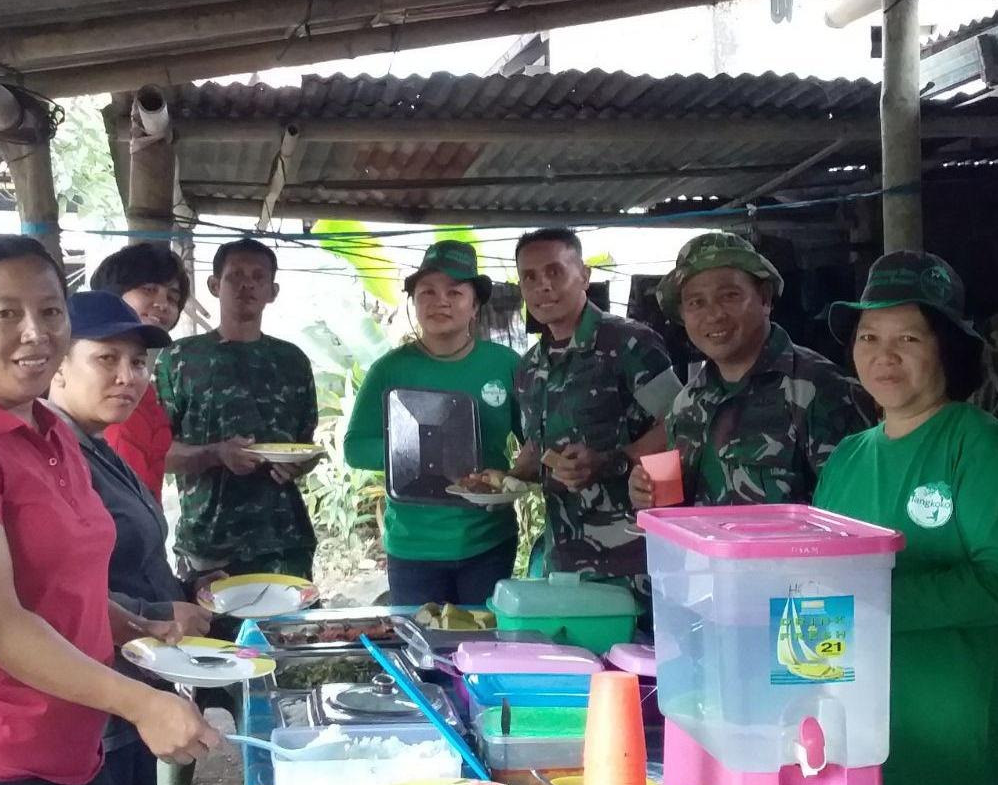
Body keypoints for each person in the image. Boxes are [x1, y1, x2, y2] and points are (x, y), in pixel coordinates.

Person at [0, 234, 217, 785]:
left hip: (72, 756)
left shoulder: (53, 433)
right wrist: (141, 703)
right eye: (7, 313)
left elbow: (65, 587)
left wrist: (137, 626)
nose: (36, 332)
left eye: (51, 311)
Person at [813, 251, 998, 785]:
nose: (883, 357)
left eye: (909, 339)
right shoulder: (848, 456)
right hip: (847, 742)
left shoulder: (981, 445)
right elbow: (816, 577)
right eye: (868, 337)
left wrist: (874, 601)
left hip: (945, 745)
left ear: (946, 346)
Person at [47, 291, 215, 785]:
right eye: (106, 358)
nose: (128, 376)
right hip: (98, 698)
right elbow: (52, 594)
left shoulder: (95, 444)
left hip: (134, 685)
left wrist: (189, 591)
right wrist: (161, 614)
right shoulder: (52, 458)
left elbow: (132, 559)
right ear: (56, 364)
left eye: (138, 362)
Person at [631, 231, 873, 508]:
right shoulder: (687, 403)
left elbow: (857, 517)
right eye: (696, 302)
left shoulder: (824, 391)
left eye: (730, 296)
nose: (714, 315)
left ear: (765, 299)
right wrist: (645, 492)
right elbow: (682, 511)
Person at [344, 241, 521, 604]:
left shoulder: (505, 365)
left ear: (474, 306)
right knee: (423, 654)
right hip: (413, 547)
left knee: (484, 650)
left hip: (487, 540)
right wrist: (416, 450)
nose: (441, 301)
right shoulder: (388, 371)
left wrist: (518, 476)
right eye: (427, 292)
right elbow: (355, 447)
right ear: (414, 302)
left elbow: (533, 441)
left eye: (455, 292)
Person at [506, 227, 681, 578]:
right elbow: (537, 447)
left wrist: (611, 461)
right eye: (530, 277)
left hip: (634, 554)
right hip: (565, 555)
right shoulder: (529, 367)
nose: (543, 285)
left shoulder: (630, 344)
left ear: (584, 276)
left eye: (555, 271)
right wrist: (506, 479)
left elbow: (680, 423)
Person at [156, 238, 320, 583]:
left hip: (284, 543)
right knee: (212, 638)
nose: (247, 284)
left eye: (258, 277)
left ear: (272, 291)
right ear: (215, 285)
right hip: (209, 548)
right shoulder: (179, 359)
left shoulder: (292, 361)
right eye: (235, 276)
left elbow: (307, 446)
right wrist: (216, 454)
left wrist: (298, 464)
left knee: (286, 637)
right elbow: (157, 454)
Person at [90, 242, 192, 500]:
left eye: (172, 297)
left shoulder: (142, 383)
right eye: (149, 289)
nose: (162, 304)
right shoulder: (85, 378)